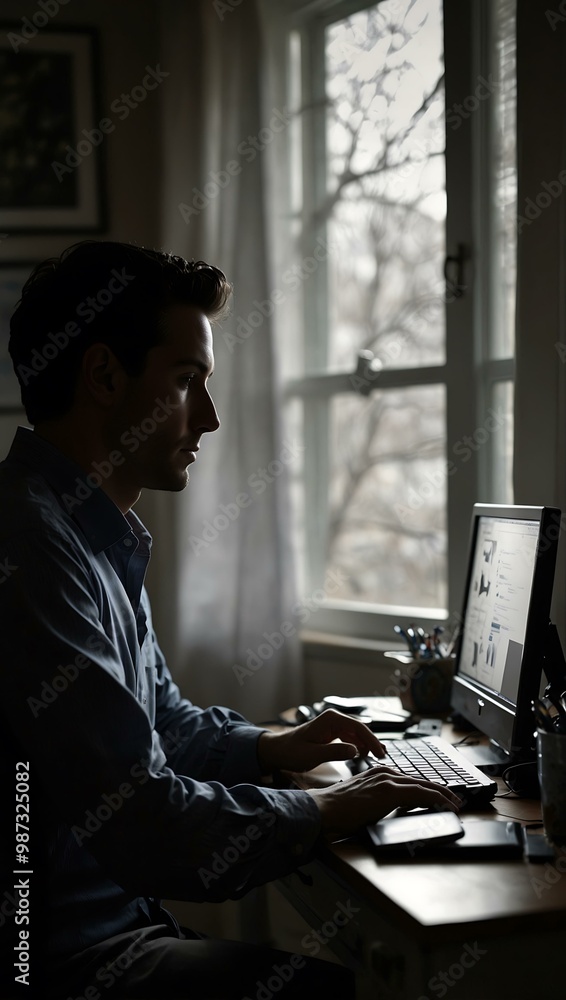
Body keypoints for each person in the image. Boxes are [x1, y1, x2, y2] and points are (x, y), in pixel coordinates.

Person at [0, 241, 460, 1000]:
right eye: (186, 382)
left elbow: (160, 725)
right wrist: (328, 805)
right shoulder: (31, 550)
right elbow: (143, 820)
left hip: (115, 929)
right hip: (59, 962)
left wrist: (272, 746)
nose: (208, 418)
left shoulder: (89, 530)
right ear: (106, 377)